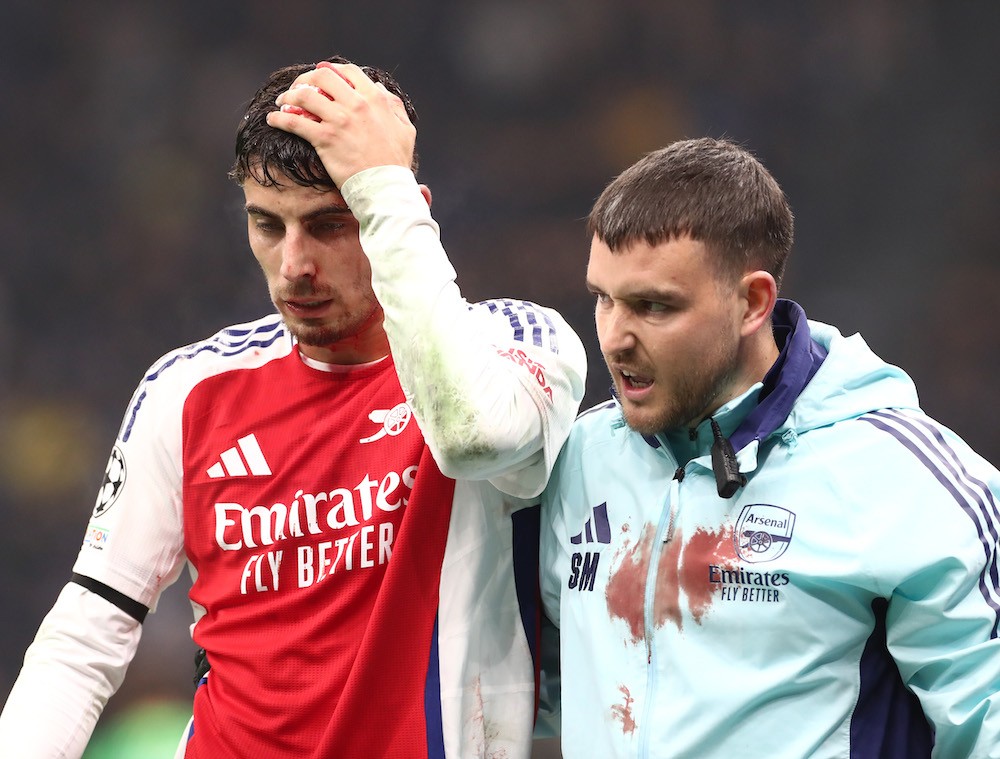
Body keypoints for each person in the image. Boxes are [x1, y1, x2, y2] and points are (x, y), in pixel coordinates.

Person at [0, 55, 587, 758]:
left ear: (401, 210)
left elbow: (473, 437)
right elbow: (88, 631)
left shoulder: (514, 345)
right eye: (267, 225)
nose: (293, 265)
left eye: (330, 224)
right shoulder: (187, 390)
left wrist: (384, 189)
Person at [539, 137, 1000, 758]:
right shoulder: (579, 459)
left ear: (752, 302)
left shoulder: (901, 476)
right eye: (603, 297)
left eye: (653, 306)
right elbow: (525, 688)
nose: (614, 338)